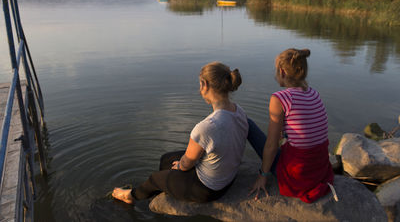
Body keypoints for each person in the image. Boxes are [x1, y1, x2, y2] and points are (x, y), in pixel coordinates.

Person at [112, 61, 249, 204]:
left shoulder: (207, 127)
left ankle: (129, 196)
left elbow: (185, 164)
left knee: (154, 179)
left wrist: (180, 166)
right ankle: (169, 186)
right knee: (166, 159)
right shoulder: (239, 111)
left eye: (200, 84)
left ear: (204, 85)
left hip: (209, 189)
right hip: (228, 178)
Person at [248, 48, 334, 203]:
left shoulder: (280, 98)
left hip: (297, 176)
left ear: (282, 72)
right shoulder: (314, 93)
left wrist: (263, 175)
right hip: (319, 170)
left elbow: (271, 145)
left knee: (247, 124)